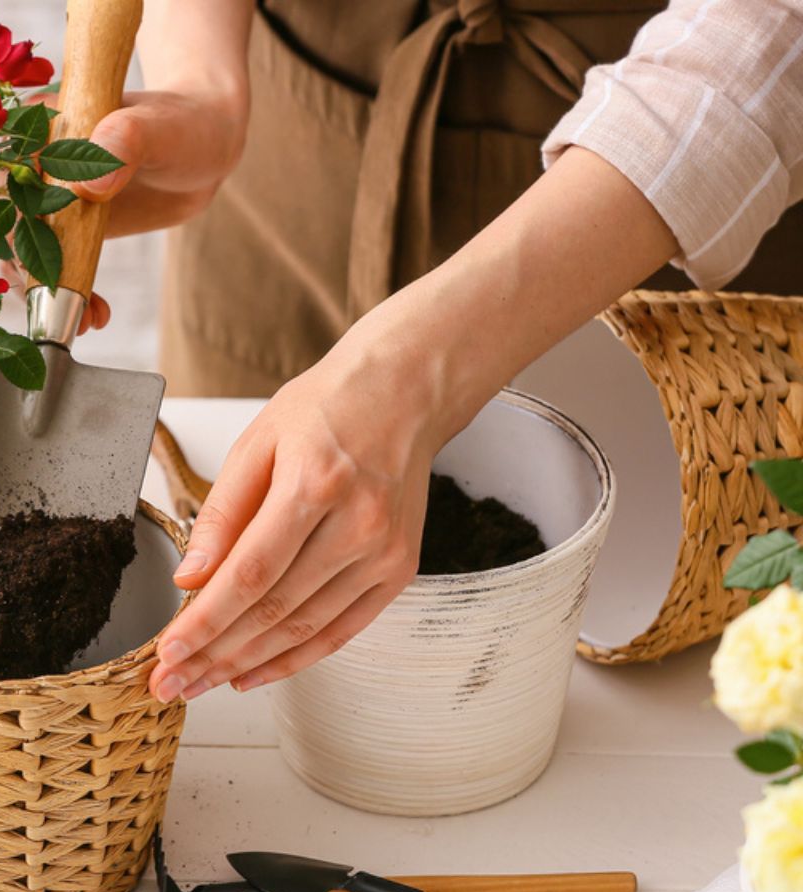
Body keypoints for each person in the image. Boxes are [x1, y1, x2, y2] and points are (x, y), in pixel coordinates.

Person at [61, 0, 803, 703]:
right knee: (255, 538)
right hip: (290, 139)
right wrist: (203, 83)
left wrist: (412, 368)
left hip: (630, 197)